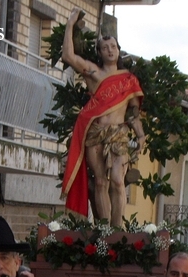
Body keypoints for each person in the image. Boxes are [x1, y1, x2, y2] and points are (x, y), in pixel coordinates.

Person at [60, 8, 145, 227]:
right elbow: (68, 56)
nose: (110, 50)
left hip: (118, 134)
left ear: (118, 50)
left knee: (117, 181)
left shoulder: (128, 80)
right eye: (105, 47)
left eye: (113, 47)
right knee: (99, 182)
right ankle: (105, 231)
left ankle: (118, 229)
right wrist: (69, 24)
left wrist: (140, 135)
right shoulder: (93, 72)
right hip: (96, 134)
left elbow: (133, 112)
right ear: (99, 52)